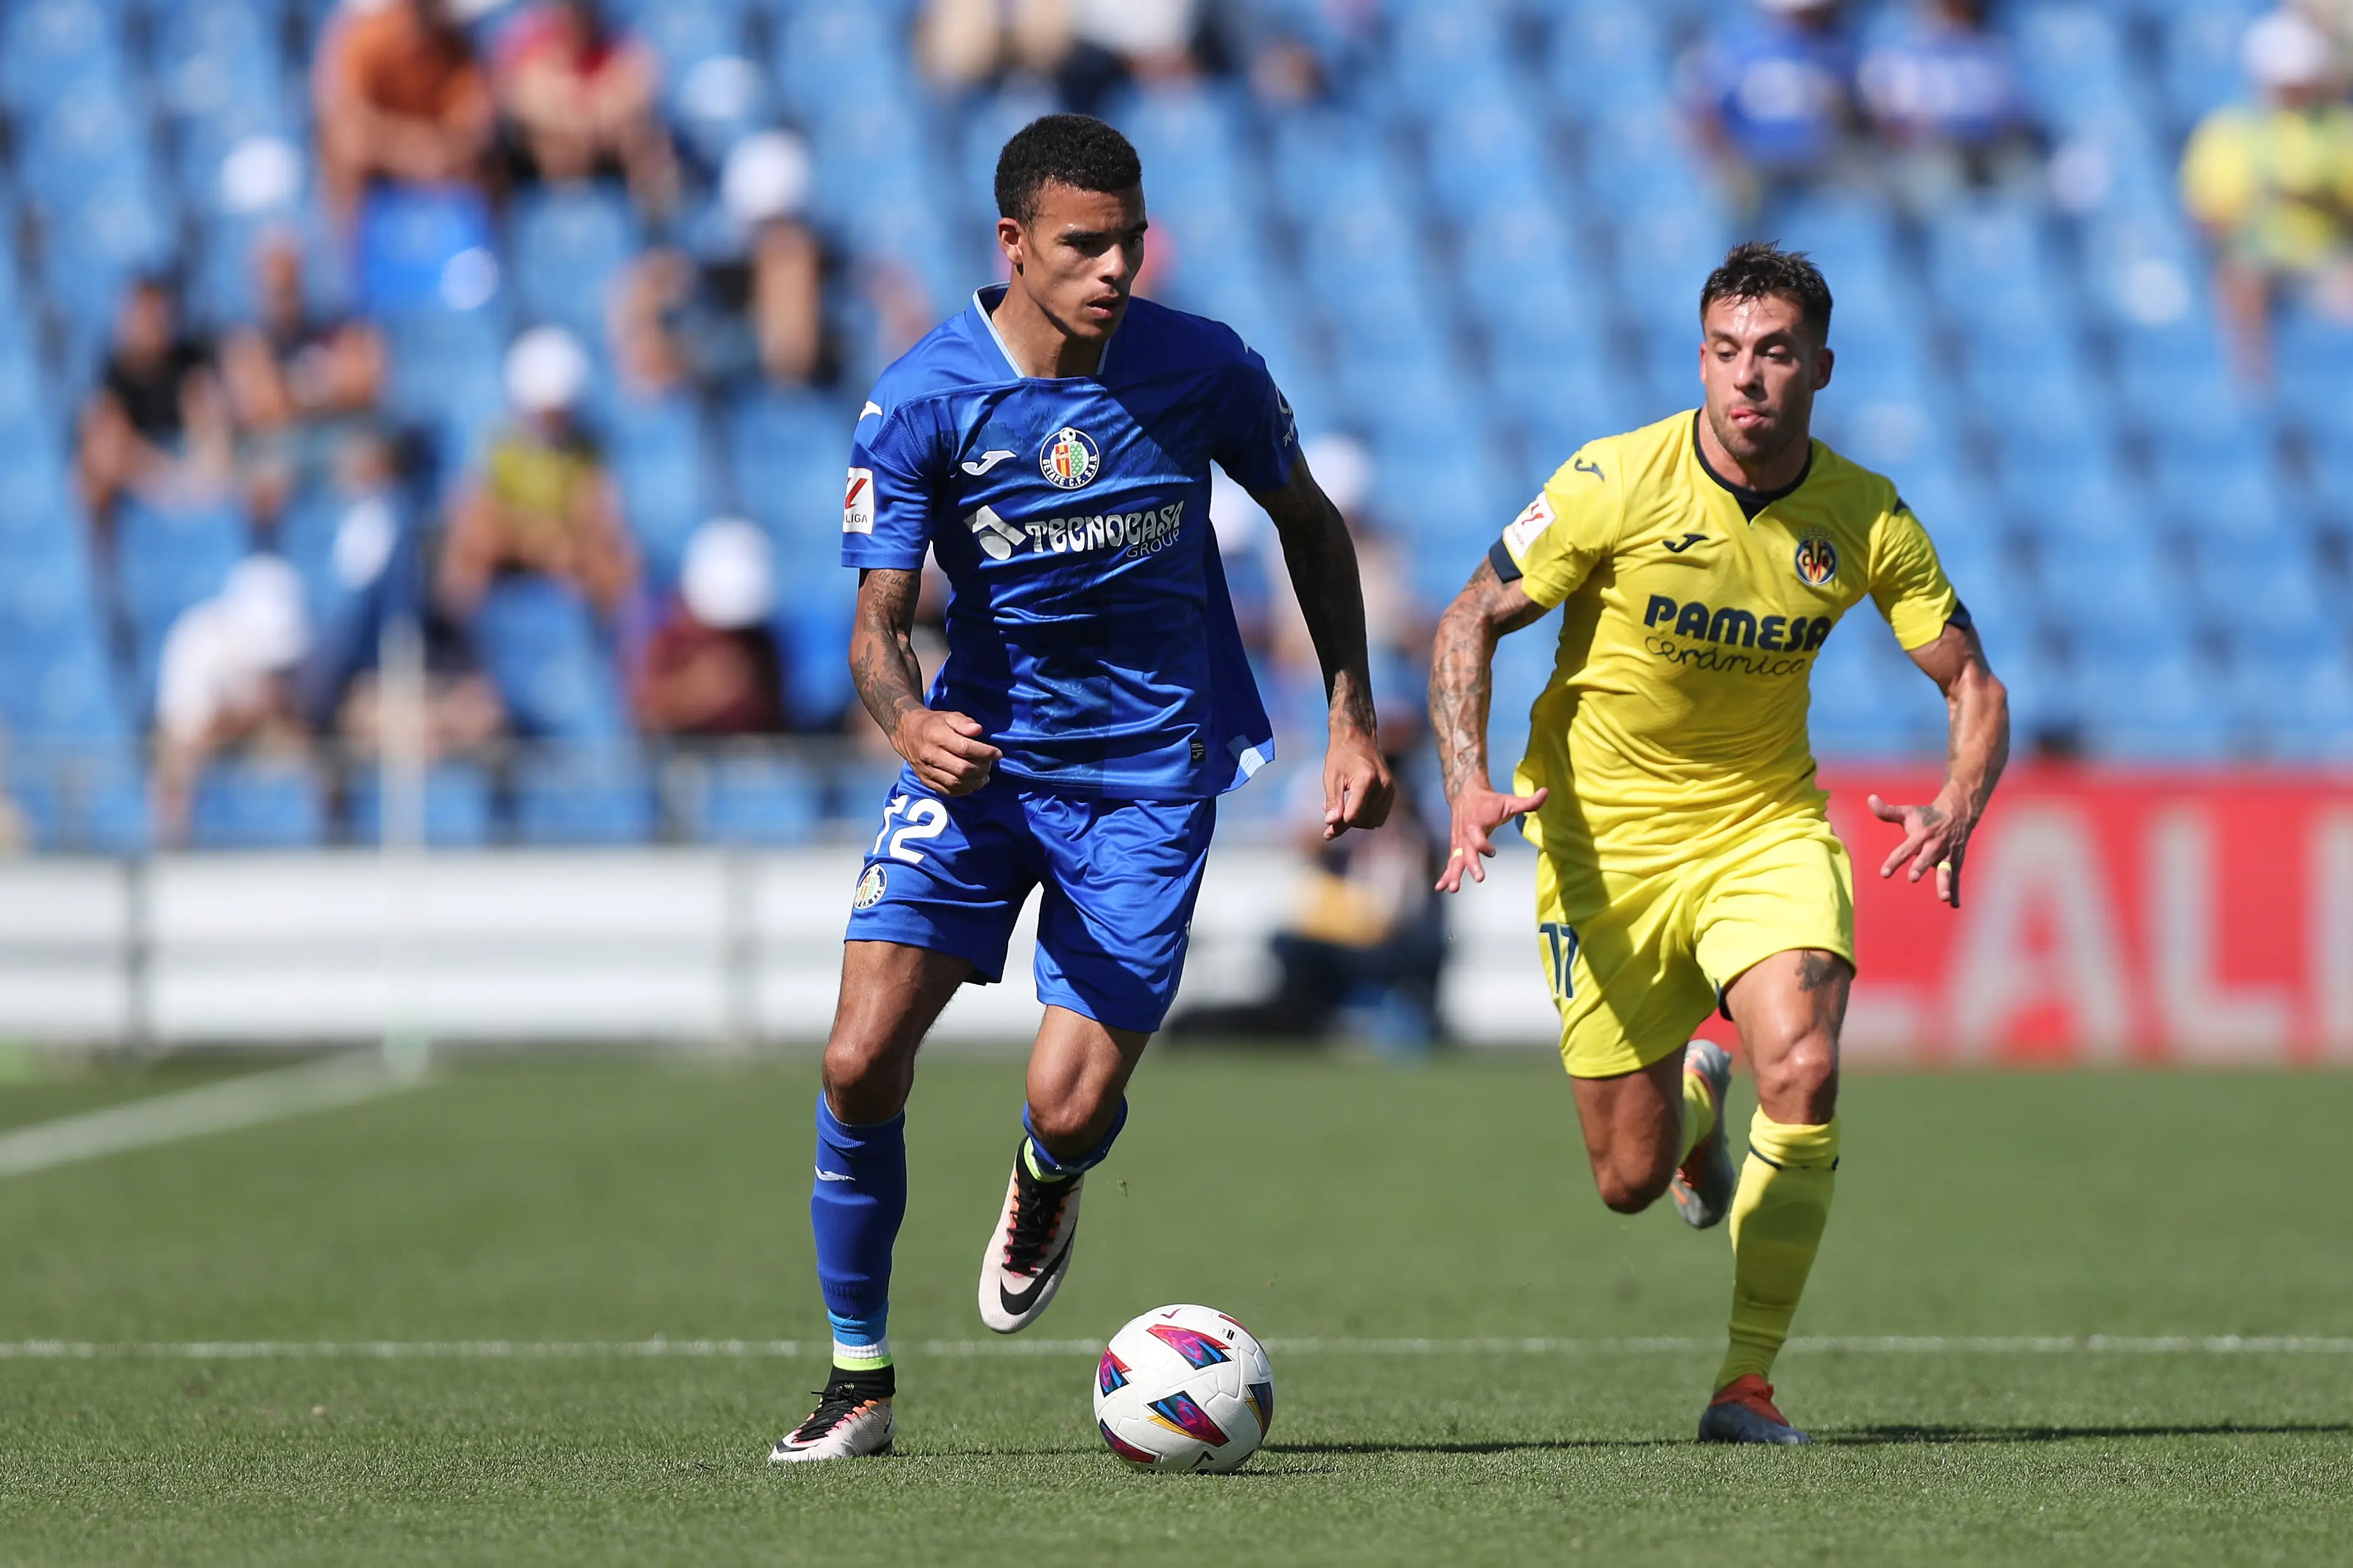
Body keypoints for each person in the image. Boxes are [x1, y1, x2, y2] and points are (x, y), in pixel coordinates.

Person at [772, 113, 1391, 1462]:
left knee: (1063, 1103)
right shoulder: (923, 395)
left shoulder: (1202, 366)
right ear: (1012, 245)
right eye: (1083, 244)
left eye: (1129, 239)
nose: (1115, 267)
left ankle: (1048, 1179)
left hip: (1149, 781)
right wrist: (906, 724)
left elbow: (1307, 521)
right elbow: (876, 629)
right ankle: (856, 1380)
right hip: (982, 762)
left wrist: (1347, 715)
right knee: (857, 1054)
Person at [1426, 243, 2009, 1444]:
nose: (1749, 377)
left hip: (1764, 826)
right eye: (1728, 351)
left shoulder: (1865, 514)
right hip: (1601, 846)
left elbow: (1972, 680)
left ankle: (1746, 1382)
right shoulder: (1611, 481)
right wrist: (1466, 779)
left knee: (1803, 1065)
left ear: (1822, 368)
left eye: (1777, 353)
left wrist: (1961, 794)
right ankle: (1694, 1111)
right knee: (1628, 1181)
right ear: (1702, 357)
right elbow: (1470, 615)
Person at [2181, 7, 2353, 382]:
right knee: (2241, 281)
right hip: (2258, 253)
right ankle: (2255, 389)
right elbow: (2208, 214)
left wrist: (2315, 198)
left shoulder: (2339, 130)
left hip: (2326, 252)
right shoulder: (2229, 134)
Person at [611, 131, 841, 396]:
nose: (773, 238)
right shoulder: (706, 263)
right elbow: (641, 359)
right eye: (766, 227)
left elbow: (791, 356)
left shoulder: (803, 256)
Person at [438, 326, 637, 621]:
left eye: (560, 411)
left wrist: (556, 544)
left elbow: (597, 523)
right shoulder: (498, 448)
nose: (554, 421)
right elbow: (477, 520)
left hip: (566, 560)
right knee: (473, 542)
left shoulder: (590, 452)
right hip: (518, 554)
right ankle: (461, 638)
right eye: (546, 412)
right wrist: (536, 538)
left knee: (605, 564)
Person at [217, 232, 390, 525]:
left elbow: (368, 385)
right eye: (277, 289)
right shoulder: (245, 341)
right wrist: (325, 388)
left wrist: (290, 393)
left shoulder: (333, 325)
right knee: (265, 482)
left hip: (331, 440)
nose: (285, 297)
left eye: (291, 286)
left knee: (370, 461)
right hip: (277, 450)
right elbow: (266, 410)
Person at [151, 555, 314, 846]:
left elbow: (297, 723)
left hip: (259, 745)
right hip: (208, 744)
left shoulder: (297, 653)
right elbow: (183, 734)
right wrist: (240, 716)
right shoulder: (198, 641)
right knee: (174, 761)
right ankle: (173, 846)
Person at [314, 0, 497, 223]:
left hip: (440, 156)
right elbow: (347, 117)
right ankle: (347, 254)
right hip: (386, 154)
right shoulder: (371, 39)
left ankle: (485, 249)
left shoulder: (457, 46)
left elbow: (474, 123)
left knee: (489, 165)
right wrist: (406, 149)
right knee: (345, 151)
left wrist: (436, 151)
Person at [492, 0, 677, 217]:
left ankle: (657, 222)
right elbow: (521, 97)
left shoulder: (615, 41)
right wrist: (574, 115)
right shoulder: (532, 40)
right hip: (554, 144)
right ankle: (568, 218)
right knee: (555, 145)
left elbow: (642, 84)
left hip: (606, 138)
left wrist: (594, 110)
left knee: (641, 136)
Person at [77, 277, 236, 525]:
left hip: (198, 484)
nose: (152, 324)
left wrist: (195, 479)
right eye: (143, 316)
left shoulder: (191, 363)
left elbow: (212, 436)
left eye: (158, 315)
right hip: (152, 481)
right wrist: (166, 482)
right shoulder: (114, 371)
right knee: (87, 477)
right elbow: (106, 442)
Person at [1685, 0, 1861, 219]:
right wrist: (1727, 162)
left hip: (1814, 159)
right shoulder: (1734, 47)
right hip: (1754, 160)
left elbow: (1845, 112)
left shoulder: (1830, 47)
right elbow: (1705, 111)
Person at [1856, 0, 2036, 211]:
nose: (1957, 11)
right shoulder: (1898, 52)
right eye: (1948, 6)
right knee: (1937, 176)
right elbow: (1886, 118)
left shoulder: (1992, 46)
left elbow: (2015, 110)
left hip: (1990, 145)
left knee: (2021, 175)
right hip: (1932, 150)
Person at [632, 518, 784, 737]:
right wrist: (695, 693)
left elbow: (775, 712)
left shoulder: (759, 641)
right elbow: (643, 714)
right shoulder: (666, 635)